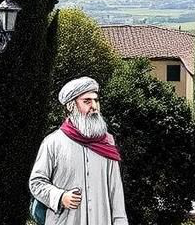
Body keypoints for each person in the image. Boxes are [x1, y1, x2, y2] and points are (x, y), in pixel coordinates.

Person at [29, 77, 128, 225]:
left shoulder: (107, 142)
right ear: (71, 106)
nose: (94, 106)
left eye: (96, 100)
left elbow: (115, 191)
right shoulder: (53, 142)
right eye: (87, 101)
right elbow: (36, 182)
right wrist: (60, 197)